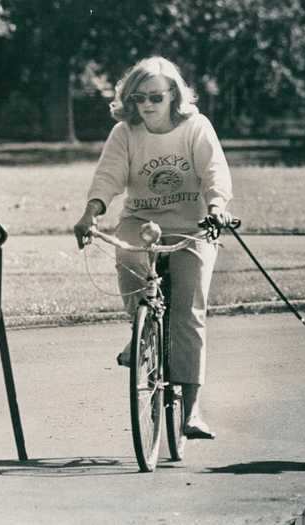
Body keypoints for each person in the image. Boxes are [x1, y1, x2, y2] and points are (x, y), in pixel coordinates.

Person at [73, 56, 233, 440]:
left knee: (189, 311)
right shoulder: (125, 133)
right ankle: (141, 329)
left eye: (156, 97)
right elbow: (108, 176)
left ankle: (193, 411)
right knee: (127, 257)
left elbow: (215, 173)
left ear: (173, 95)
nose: (147, 105)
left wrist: (216, 209)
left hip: (191, 226)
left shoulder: (195, 127)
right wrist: (91, 213)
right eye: (139, 97)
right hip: (141, 223)